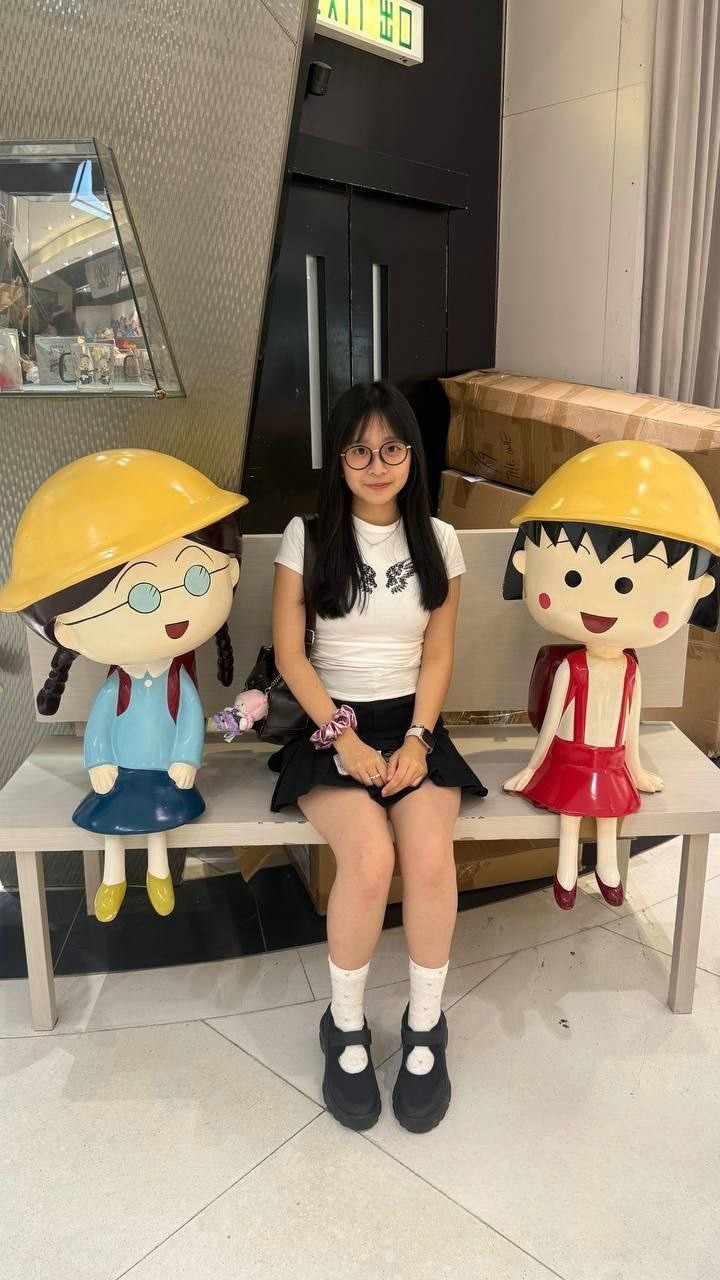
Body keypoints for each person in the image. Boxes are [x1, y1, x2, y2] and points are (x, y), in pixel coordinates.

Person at [270, 381, 486, 1133]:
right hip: (329, 725)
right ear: (338, 459)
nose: (376, 465)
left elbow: (438, 655)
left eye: (391, 448)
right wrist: (345, 738)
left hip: (414, 726)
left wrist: (420, 740)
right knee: (368, 861)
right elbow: (292, 657)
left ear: (412, 455)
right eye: (358, 451)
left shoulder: (439, 540)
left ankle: (426, 1027)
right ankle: (346, 1026)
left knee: (427, 858)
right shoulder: (307, 536)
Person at [0, 449, 247, 922]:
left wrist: (186, 758)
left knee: (159, 825)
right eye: (142, 594)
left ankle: (159, 873)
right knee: (111, 824)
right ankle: (113, 878)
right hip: (121, 771)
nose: (174, 609)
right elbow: (100, 727)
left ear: (229, 569)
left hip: (165, 771)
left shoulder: (177, 681)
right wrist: (98, 761)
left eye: (198, 577)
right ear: (65, 629)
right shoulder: (117, 687)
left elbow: (189, 722)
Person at [502, 441, 720, 908]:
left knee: (605, 815)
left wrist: (634, 768)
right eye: (573, 578)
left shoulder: (630, 669)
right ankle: (565, 874)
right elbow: (552, 721)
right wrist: (533, 767)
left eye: (626, 585)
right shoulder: (573, 666)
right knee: (569, 816)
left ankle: (607, 869)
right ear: (526, 564)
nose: (600, 604)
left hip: (611, 761)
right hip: (568, 757)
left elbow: (632, 724)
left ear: (701, 589)